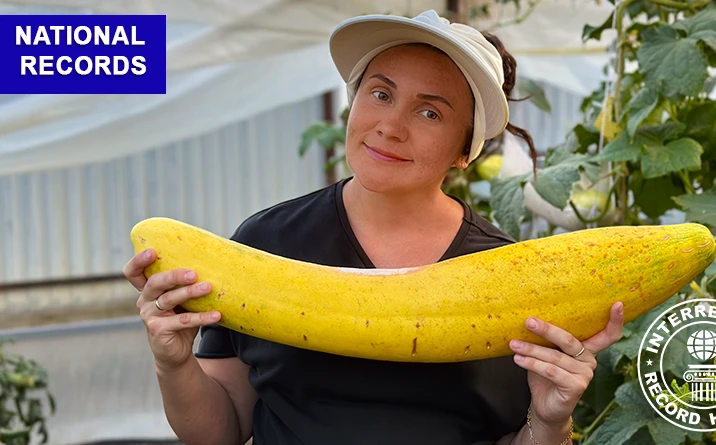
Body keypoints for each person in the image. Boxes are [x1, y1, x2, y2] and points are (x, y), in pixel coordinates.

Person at [123, 9, 625, 445]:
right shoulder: (267, 243)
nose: (390, 125)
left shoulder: (510, 278)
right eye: (381, 94)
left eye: (429, 111)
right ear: (353, 101)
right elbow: (224, 428)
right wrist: (174, 364)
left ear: (462, 152)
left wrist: (551, 420)